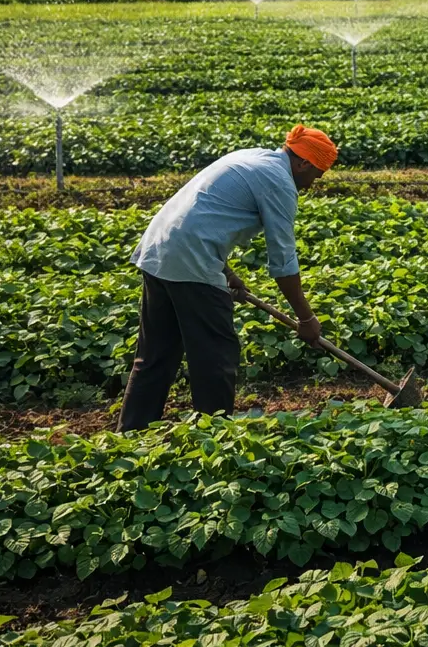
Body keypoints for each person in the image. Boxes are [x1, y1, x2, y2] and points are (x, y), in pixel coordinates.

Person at [117, 125, 338, 431]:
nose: (313, 184)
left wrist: (228, 272)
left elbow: (204, 215)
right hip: (191, 262)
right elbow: (283, 262)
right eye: (317, 175)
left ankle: (130, 434)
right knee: (216, 358)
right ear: (303, 164)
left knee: (155, 357)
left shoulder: (252, 157)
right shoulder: (279, 182)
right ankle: (216, 438)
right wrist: (306, 318)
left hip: (160, 249)